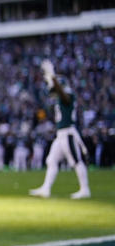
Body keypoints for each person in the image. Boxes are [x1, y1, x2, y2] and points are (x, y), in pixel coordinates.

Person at [29, 60, 91, 199]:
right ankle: (46, 188)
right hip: (60, 135)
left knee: (76, 161)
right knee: (51, 160)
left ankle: (85, 189)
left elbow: (63, 95)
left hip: (68, 133)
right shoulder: (61, 97)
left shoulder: (67, 95)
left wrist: (53, 76)